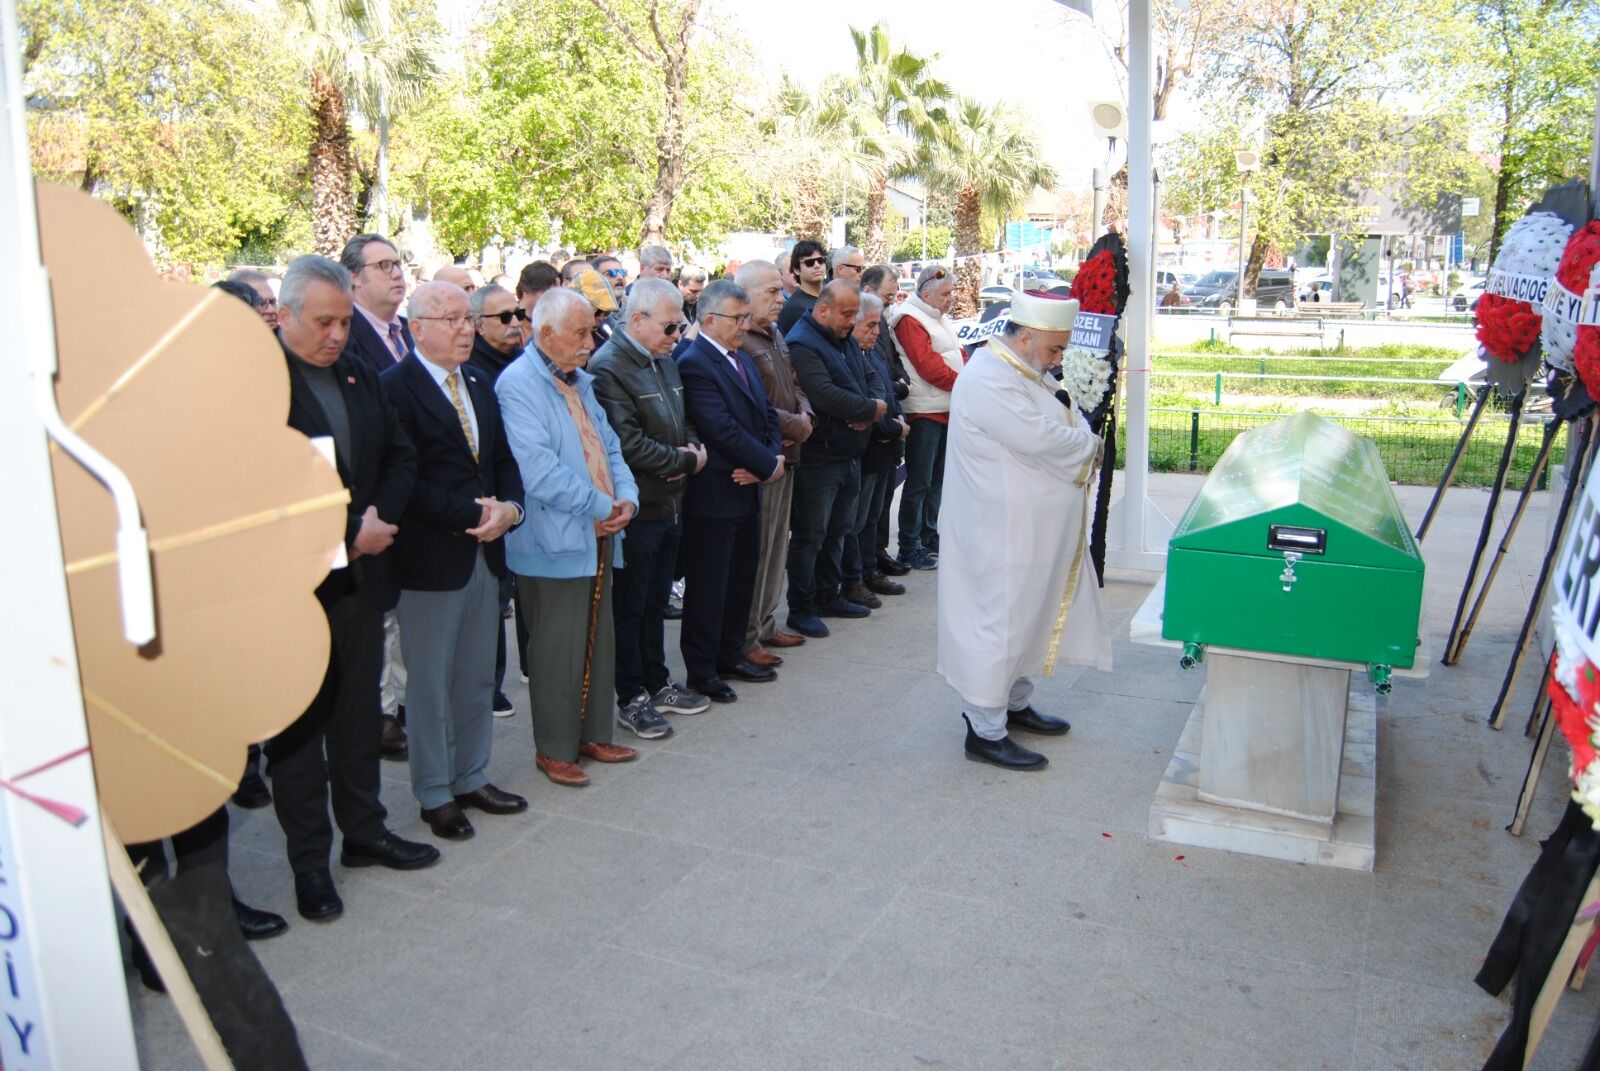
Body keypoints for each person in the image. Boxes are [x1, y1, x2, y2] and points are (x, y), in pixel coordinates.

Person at [270, 255, 439, 922]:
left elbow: (400, 455)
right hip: (294, 589)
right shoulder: (260, 386)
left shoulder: (357, 372)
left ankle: (364, 833)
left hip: (363, 576)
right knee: (299, 734)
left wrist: (376, 523)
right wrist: (347, 531)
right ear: (283, 315)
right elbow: (261, 491)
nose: (338, 334)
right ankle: (310, 863)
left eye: (344, 321)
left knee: (357, 718)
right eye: (323, 322)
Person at [380, 281, 528, 840]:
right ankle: (435, 792)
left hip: (485, 556)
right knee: (429, 686)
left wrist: (510, 509)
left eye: (467, 319)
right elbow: (405, 480)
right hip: (430, 562)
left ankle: (471, 775)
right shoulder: (394, 388)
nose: (465, 328)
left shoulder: (479, 383)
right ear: (416, 327)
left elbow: (503, 460)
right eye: (451, 320)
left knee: (473, 680)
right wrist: (474, 512)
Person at [938, 291, 1111, 771]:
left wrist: (1080, 435)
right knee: (1001, 620)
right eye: (1055, 349)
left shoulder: (1025, 371)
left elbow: (1059, 419)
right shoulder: (988, 377)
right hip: (1000, 528)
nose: (1059, 359)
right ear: (1026, 336)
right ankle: (985, 729)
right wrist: (1089, 443)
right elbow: (1038, 437)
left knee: (1029, 613)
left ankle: (1014, 704)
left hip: (1029, 526)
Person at [497, 288, 640, 787]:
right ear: (545, 334)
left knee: (598, 640)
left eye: (590, 329)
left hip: (600, 530)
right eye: (579, 333)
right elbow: (538, 471)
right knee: (558, 648)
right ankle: (555, 747)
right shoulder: (517, 384)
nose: (589, 341)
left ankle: (594, 732)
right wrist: (603, 506)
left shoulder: (581, 380)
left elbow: (611, 446)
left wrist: (626, 498)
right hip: (553, 539)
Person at [589, 278, 711, 738]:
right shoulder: (609, 368)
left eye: (680, 326)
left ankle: (656, 681)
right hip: (640, 507)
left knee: (656, 601)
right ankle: (631, 694)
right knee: (631, 606)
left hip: (671, 502)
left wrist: (692, 448)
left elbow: (685, 420)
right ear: (636, 320)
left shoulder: (662, 360)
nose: (676, 336)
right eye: (669, 327)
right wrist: (684, 460)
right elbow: (625, 443)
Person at [676, 279, 784, 703]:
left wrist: (770, 461)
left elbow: (766, 417)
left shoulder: (738, 357)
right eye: (737, 319)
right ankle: (702, 670)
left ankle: (731, 652)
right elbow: (719, 428)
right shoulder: (695, 362)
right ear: (709, 320)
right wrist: (765, 463)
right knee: (710, 585)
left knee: (741, 578)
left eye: (745, 317)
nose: (744, 325)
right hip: (717, 490)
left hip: (748, 483)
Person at [340, 233, 415, 757]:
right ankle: (381, 716)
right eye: (383, 265)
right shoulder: (346, 343)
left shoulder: (407, 331)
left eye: (399, 263)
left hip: (412, 494)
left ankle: (401, 704)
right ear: (354, 280)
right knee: (381, 619)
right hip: (371, 506)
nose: (396, 273)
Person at [783, 280, 886, 637]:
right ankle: (802, 607)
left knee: (839, 530)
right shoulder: (802, 342)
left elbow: (872, 376)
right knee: (811, 535)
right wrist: (870, 408)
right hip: (821, 458)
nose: (851, 321)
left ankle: (829, 594)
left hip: (849, 453)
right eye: (846, 314)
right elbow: (823, 395)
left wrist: (871, 407)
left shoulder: (840, 339)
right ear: (823, 310)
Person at [735, 260, 813, 666]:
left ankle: (765, 624)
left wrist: (804, 417)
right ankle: (748, 635)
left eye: (779, 291)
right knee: (759, 552)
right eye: (771, 292)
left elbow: (796, 385)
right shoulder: (742, 341)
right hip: (765, 457)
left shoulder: (774, 334)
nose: (780, 299)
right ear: (744, 295)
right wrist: (796, 425)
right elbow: (757, 405)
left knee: (775, 549)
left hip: (788, 453)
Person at [887, 265, 962, 572]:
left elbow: (953, 354)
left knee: (936, 479)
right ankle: (909, 544)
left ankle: (928, 535)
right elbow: (929, 367)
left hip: (943, 406)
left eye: (951, 293)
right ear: (926, 293)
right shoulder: (910, 319)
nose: (950, 299)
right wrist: (966, 382)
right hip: (924, 409)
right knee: (919, 481)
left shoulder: (936, 316)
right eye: (945, 294)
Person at [841, 291, 909, 606]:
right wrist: (892, 426)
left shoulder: (871, 353)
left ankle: (869, 571)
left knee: (872, 517)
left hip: (885, 448)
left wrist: (894, 421)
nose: (876, 332)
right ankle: (856, 578)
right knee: (857, 521)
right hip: (868, 449)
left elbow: (884, 391)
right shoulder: (851, 353)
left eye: (877, 325)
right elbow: (866, 401)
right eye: (869, 326)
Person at [860, 265, 911, 579]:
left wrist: (901, 384)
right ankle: (864, 569)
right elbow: (870, 386)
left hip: (891, 423)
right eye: (887, 297)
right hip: (874, 435)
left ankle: (876, 556)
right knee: (863, 515)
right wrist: (891, 420)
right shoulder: (861, 331)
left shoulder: (880, 324)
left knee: (880, 503)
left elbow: (893, 364)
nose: (891, 304)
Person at [777, 239, 828, 333]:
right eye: (810, 263)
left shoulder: (832, 295)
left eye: (821, 260)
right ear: (796, 270)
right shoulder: (794, 308)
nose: (817, 265)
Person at [572, 267, 621, 349]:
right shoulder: (560, 336)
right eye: (597, 312)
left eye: (606, 313)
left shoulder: (608, 330)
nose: (601, 318)